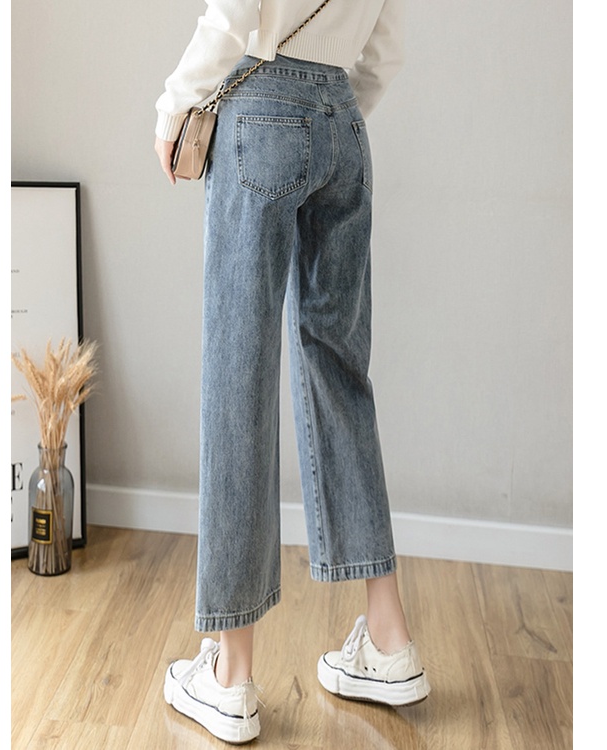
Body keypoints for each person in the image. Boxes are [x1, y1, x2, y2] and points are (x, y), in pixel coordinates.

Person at [154, 0, 429, 743]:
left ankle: (230, 675)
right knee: (340, 371)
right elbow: (386, 51)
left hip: (262, 112)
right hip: (344, 124)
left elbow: (236, 9)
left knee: (238, 376)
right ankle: (390, 641)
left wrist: (176, 103)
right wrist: (326, 109)